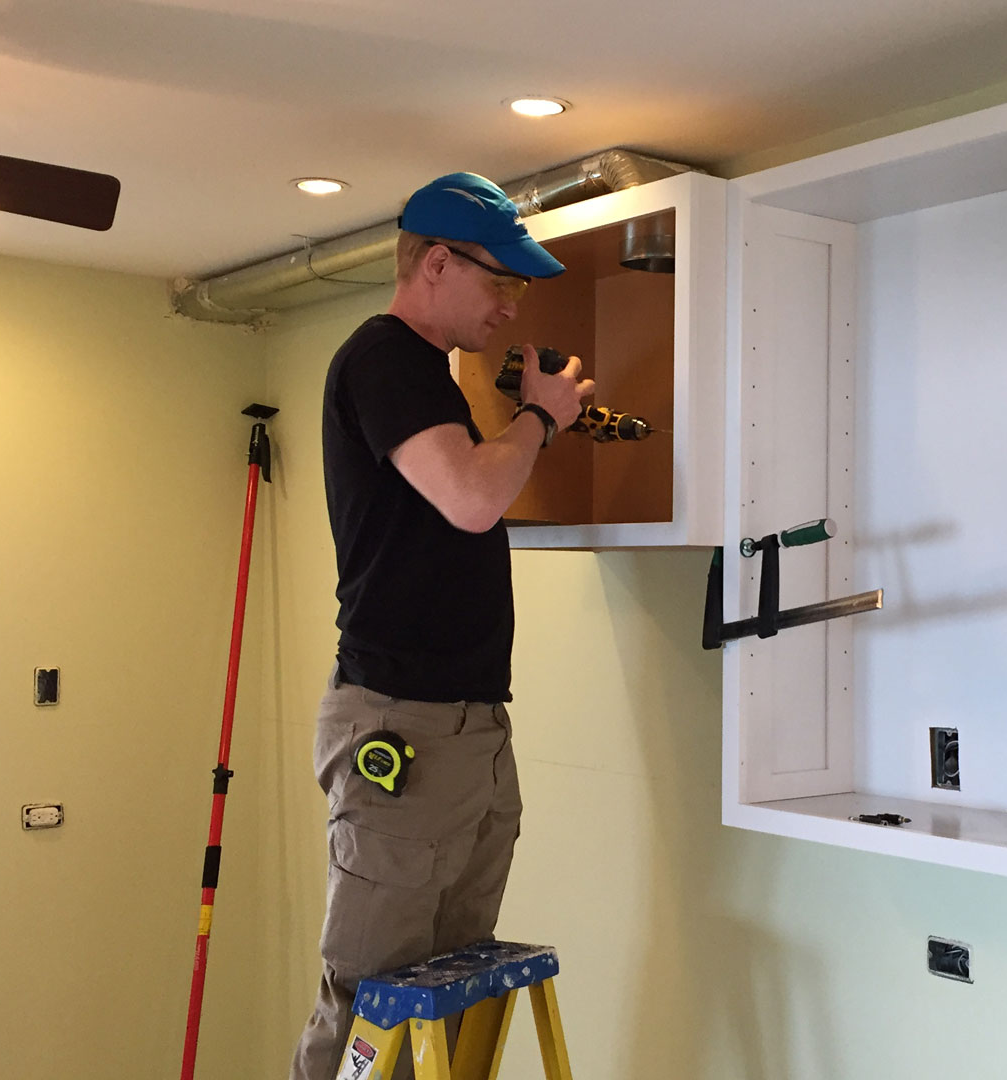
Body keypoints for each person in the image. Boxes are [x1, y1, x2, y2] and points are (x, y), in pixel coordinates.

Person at [290, 172, 591, 1080]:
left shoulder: (434, 380)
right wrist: (542, 414)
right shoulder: (382, 357)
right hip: (402, 727)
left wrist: (527, 419)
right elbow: (469, 497)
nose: (509, 306)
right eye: (498, 281)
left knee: (446, 994)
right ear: (433, 263)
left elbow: (467, 486)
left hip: (467, 729)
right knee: (368, 1006)